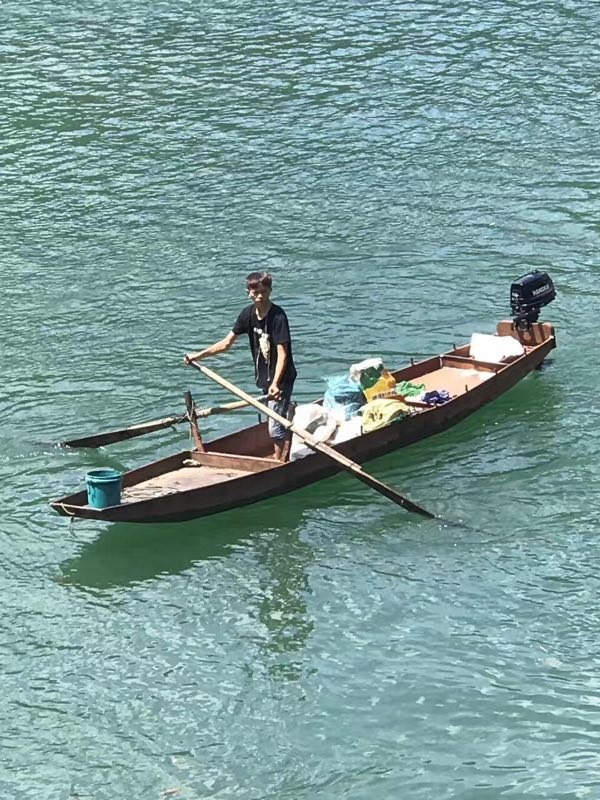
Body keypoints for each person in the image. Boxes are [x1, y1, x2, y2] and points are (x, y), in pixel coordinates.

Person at [183, 271, 297, 462]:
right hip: (264, 379)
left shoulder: (278, 317)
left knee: (275, 428)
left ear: (270, 290)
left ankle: (279, 464)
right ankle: (285, 438)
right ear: (248, 293)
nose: (259, 295)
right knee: (274, 420)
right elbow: (226, 343)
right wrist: (197, 355)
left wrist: (276, 383)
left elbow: (283, 354)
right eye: (255, 291)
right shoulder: (248, 314)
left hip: (281, 380)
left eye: (264, 291)